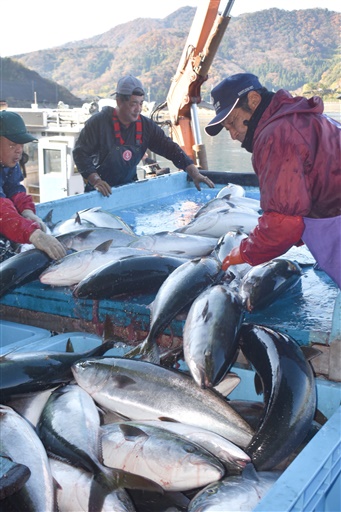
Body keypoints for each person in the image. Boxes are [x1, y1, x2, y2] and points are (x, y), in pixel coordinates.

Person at [205, 73, 341, 288]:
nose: (232, 135)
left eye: (232, 123)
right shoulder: (302, 118)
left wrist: (245, 251)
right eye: (227, 129)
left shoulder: (275, 135)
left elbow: (283, 222)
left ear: (253, 101)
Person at [73, 75, 214, 196]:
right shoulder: (98, 123)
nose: (138, 109)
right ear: (119, 101)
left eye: (141, 103)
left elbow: (170, 149)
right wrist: (95, 180)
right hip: (98, 193)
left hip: (128, 190)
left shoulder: (146, 126)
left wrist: (194, 173)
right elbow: (80, 154)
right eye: (133, 103)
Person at [0, 111, 67, 261]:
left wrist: (27, 211)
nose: (19, 150)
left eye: (21, 145)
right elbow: (1, 211)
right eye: (12, 145)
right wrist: (33, 234)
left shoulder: (8, 161)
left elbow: (14, 189)